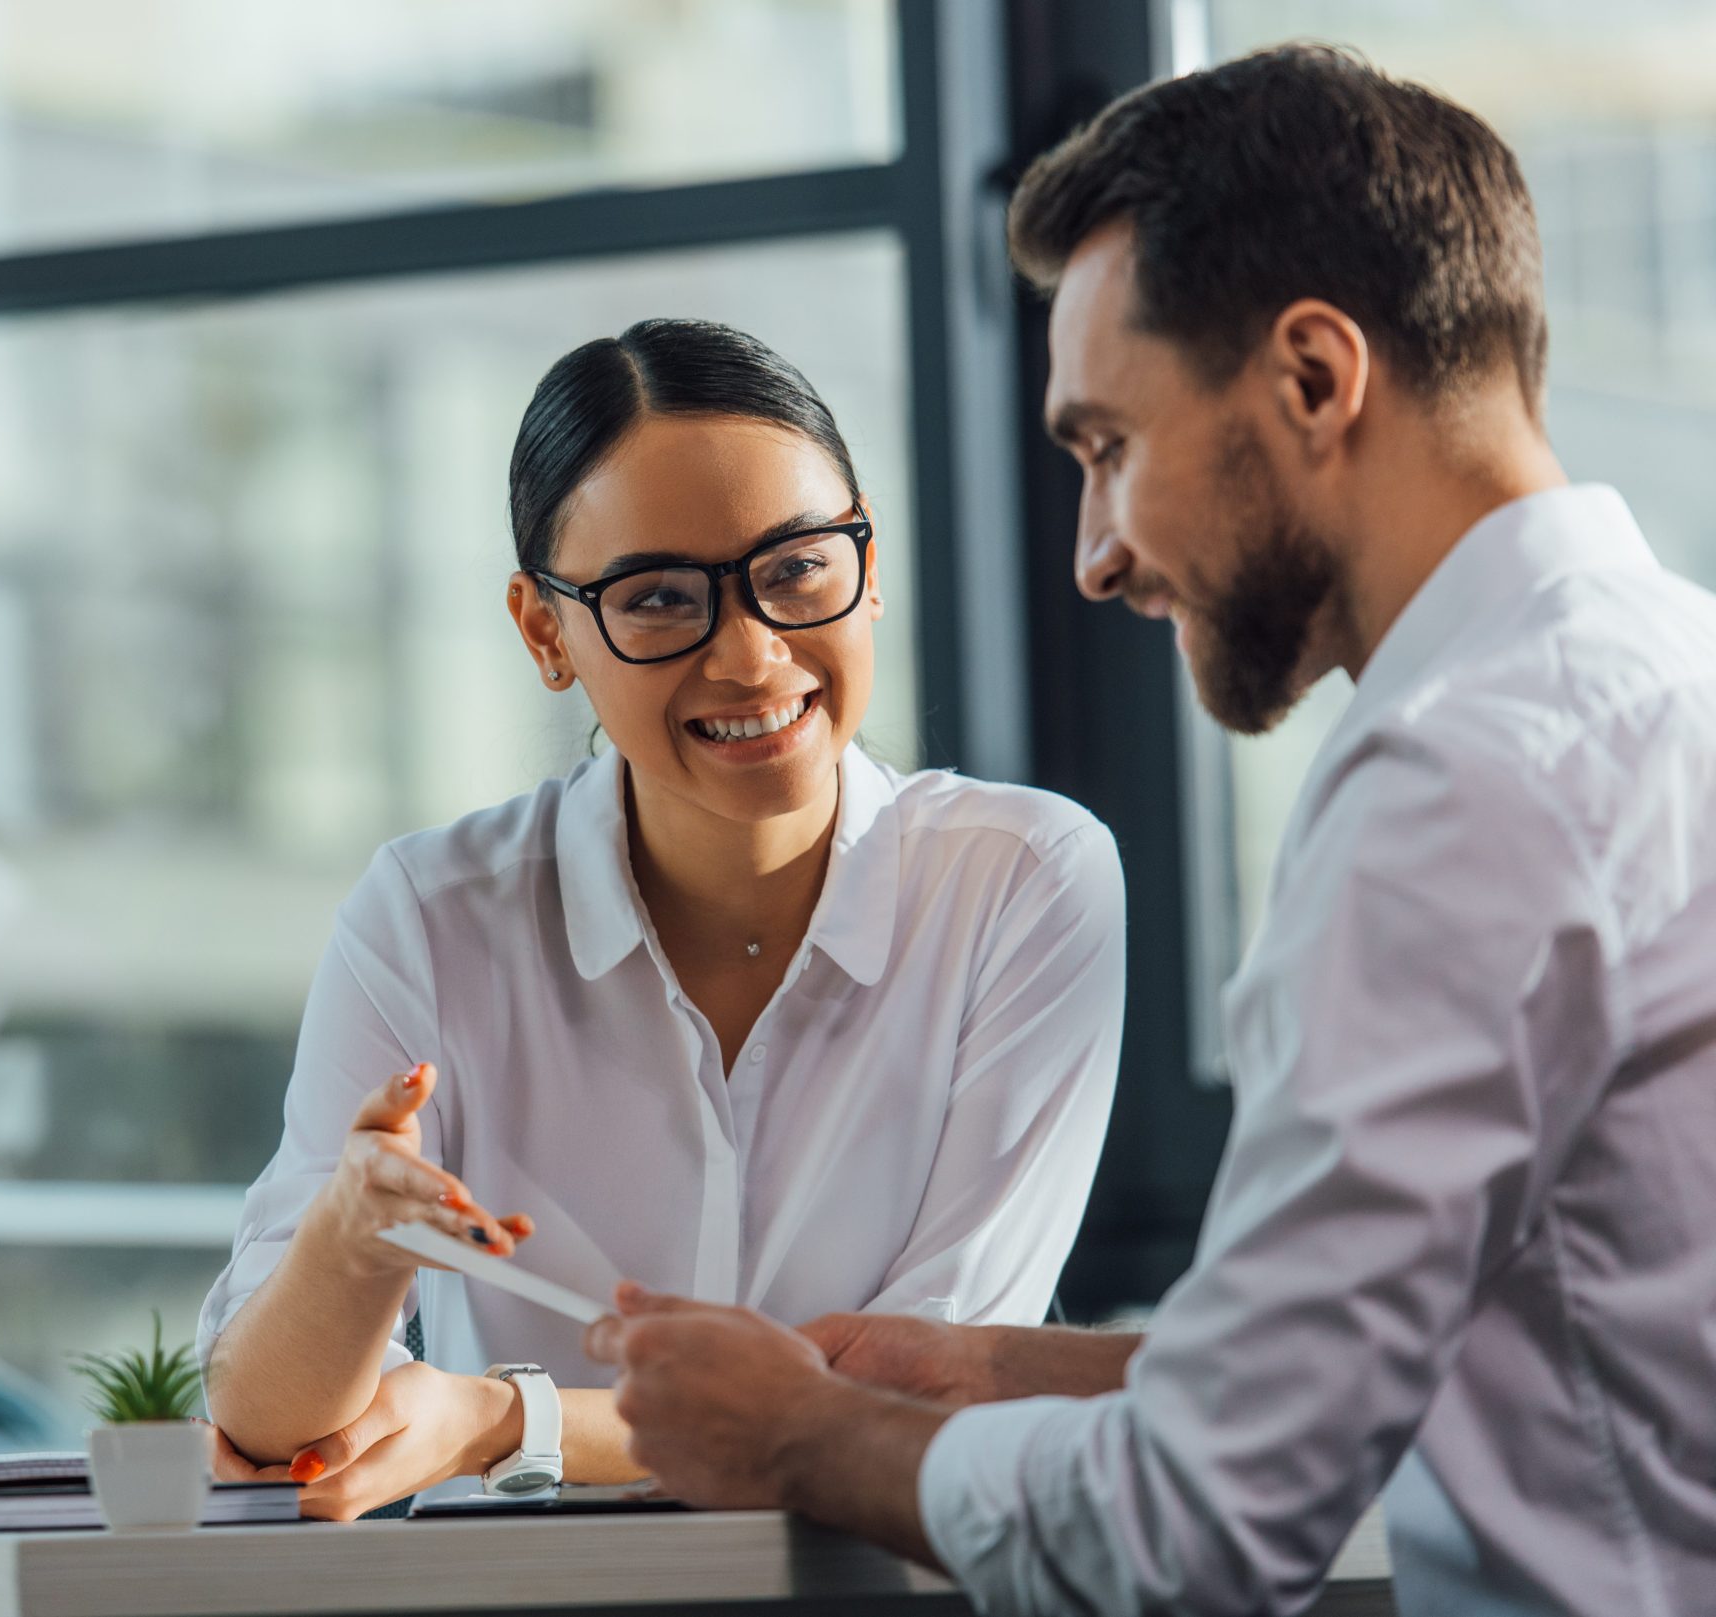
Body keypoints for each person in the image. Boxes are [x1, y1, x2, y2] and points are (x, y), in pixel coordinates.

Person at [585, 47, 1716, 1617]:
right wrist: (996, 1368)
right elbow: (1538, 1338)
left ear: (1316, 378)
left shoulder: (1458, 790)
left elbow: (1191, 1527)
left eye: (1108, 447)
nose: (1095, 559)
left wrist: (802, 1436)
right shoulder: (1674, 682)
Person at [195, 318, 1127, 1519]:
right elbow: (264, 1423)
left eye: (797, 568)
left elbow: (925, 1386)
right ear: (546, 632)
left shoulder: (1026, 881)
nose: (750, 656)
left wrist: (505, 1419)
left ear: (870, 561)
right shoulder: (430, 916)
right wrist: (350, 1244)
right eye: (659, 599)